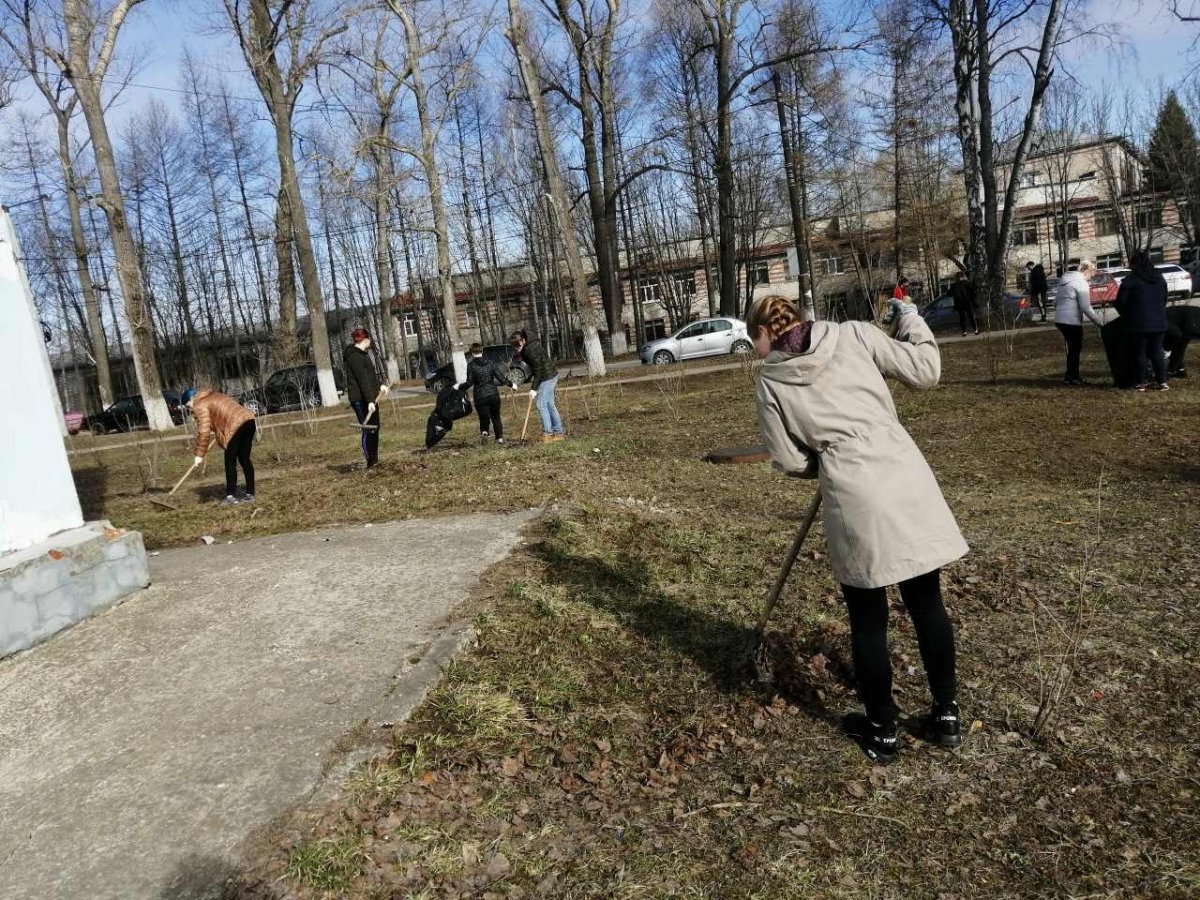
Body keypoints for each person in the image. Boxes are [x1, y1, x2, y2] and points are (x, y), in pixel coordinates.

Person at [750, 294, 967, 764]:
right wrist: (910, 317)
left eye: (756, 340)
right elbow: (926, 371)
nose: (757, 351)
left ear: (766, 333)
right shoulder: (855, 334)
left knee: (868, 618)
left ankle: (883, 731)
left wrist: (826, 462)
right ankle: (946, 715)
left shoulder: (771, 381)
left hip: (853, 494)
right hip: (905, 474)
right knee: (926, 600)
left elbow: (787, 459)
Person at [182, 387, 256, 506]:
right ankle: (250, 495)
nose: (189, 409)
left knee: (230, 462)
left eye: (187, 405)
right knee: (244, 459)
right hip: (249, 420)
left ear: (191, 399)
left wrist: (199, 455)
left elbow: (204, 431)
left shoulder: (199, 404)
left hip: (235, 425)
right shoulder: (213, 395)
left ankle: (231, 497)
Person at [1053, 260, 1103, 385]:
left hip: (1060, 319)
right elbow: (1086, 307)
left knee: (1072, 349)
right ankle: (1073, 377)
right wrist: (1099, 322)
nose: (1091, 277)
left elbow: (1054, 302)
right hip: (1071, 321)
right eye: (1092, 274)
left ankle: (1070, 376)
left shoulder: (1064, 282)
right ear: (1087, 271)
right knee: (1075, 349)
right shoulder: (1081, 283)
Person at [511, 330, 564, 443]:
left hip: (547, 376)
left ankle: (548, 434)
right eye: (514, 346)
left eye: (517, 345)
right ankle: (558, 433)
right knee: (549, 404)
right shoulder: (527, 348)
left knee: (541, 404)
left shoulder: (530, 350)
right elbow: (533, 368)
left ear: (523, 340)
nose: (516, 348)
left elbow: (538, 370)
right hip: (549, 375)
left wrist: (533, 389)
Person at [343, 328, 384, 468]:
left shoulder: (362, 355)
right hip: (360, 400)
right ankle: (370, 461)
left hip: (370, 398)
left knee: (375, 427)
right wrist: (370, 401)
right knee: (368, 429)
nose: (370, 341)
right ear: (364, 339)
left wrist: (380, 387)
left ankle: (375, 459)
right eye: (369, 339)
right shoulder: (354, 356)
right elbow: (362, 380)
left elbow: (370, 377)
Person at [462, 343, 508, 444]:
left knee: (484, 417)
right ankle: (499, 438)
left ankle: (484, 432)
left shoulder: (471, 366)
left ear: (471, 353)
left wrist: (459, 387)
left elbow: (469, 382)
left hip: (480, 396)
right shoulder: (491, 363)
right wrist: (511, 384)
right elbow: (500, 377)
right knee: (496, 417)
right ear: (482, 351)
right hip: (493, 395)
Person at [1165, 304, 1200, 377]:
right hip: (1188, 321)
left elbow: (1176, 336)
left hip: (1191, 323)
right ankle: (1178, 369)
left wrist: (1167, 349)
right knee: (1179, 346)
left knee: (1178, 345)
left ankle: (1172, 370)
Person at [950, 271, 979, 336]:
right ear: (963, 276)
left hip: (959, 303)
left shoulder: (954, 285)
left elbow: (949, 294)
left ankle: (964, 332)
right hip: (968, 302)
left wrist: (955, 294)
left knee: (962, 318)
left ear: (957, 277)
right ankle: (976, 330)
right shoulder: (967, 283)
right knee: (971, 316)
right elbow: (975, 289)